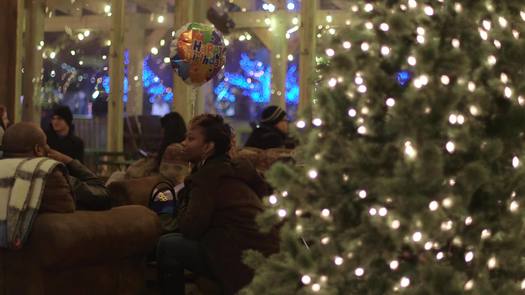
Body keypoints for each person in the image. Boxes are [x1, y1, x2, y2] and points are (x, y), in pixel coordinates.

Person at [156, 114, 279, 295]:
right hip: (265, 251)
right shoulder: (234, 169)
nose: (183, 143)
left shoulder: (207, 178)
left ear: (208, 147)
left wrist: (182, 199)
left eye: (191, 138)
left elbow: (190, 228)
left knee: (167, 245)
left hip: (240, 256)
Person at [2, 122, 110, 211]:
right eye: (46, 144)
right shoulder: (49, 176)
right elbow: (103, 195)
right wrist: (69, 161)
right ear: (38, 150)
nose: (49, 147)